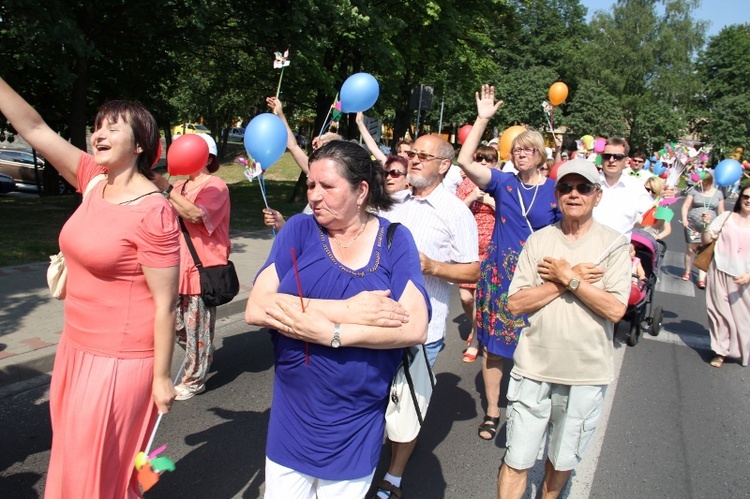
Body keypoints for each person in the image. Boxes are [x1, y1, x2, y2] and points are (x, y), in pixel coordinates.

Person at [0, 77, 180, 497]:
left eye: (114, 127)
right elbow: (35, 127)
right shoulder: (94, 179)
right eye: (98, 125)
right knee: (76, 460)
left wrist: (161, 378)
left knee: (92, 470)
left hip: (119, 362)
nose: (100, 133)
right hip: (74, 349)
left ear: (140, 144)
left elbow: (166, 305)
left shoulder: (154, 212)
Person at [244, 140, 431, 498]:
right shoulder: (299, 230)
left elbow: (415, 326)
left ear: (361, 191)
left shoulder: (394, 240)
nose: (314, 195)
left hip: (356, 424)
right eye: (312, 185)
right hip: (293, 420)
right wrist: (348, 310)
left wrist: (334, 333)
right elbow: (257, 307)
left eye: (327, 186)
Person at [498, 159, 630, 499]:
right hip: (534, 368)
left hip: (586, 373)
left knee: (561, 462)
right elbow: (515, 303)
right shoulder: (539, 241)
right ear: (556, 195)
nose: (574, 194)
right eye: (566, 188)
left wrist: (567, 276)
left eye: (583, 188)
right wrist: (566, 281)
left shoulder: (614, 245)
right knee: (516, 460)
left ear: (596, 196)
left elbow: (615, 309)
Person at [456, 85, 561, 442]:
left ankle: (532, 409)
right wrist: (483, 119)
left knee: (537, 350)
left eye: (528, 150)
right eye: (516, 150)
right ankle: (492, 411)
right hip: (499, 275)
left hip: (538, 279)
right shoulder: (503, 183)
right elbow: (465, 162)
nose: (521, 155)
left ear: (541, 155)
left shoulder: (556, 191)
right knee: (495, 351)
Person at [378, 133, 479, 498]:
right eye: (413, 154)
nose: (414, 160)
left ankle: (394, 476)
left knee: (407, 408)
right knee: (373, 401)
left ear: (444, 166)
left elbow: (472, 271)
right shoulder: (393, 204)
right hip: (379, 322)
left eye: (424, 156)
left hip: (423, 329)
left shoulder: (456, 212)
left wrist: (433, 266)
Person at [153, 133, 231, 400]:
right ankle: (201, 356)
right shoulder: (180, 185)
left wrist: (166, 189)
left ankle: (194, 379)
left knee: (196, 328)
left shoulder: (216, 185)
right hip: (176, 268)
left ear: (207, 158)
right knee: (177, 327)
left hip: (200, 269)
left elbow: (196, 215)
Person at [455, 145, 498, 363]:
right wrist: (472, 197)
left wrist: (490, 201)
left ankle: (475, 342)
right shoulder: (466, 184)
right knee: (465, 297)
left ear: (495, 164)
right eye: (480, 159)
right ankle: (475, 325)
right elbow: (454, 213)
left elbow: (512, 213)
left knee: (481, 296)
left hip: (490, 250)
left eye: (488, 160)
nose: (483, 164)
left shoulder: (500, 185)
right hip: (468, 248)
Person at [703, 183, 750, 368]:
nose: (748, 200)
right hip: (719, 271)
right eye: (746, 196)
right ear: (740, 198)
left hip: (743, 279)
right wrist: (707, 225)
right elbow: (707, 240)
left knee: (743, 318)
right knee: (718, 314)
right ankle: (720, 351)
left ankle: (741, 351)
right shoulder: (726, 217)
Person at [593, 138, 653, 237]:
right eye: (607, 156)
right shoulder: (589, 183)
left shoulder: (635, 187)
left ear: (626, 161)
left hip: (620, 250)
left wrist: (665, 204)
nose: (612, 160)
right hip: (590, 248)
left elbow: (656, 223)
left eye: (617, 157)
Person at [681, 170, 725, 288]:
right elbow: (686, 206)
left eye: (704, 182)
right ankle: (687, 272)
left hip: (710, 226)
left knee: (705, 250)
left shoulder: (718, 193)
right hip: (693, 225)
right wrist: (684, 218)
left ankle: (702, 278)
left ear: (709, 182)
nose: (701, 184)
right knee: (691, 249)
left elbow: (721, 211)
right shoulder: (694, 191)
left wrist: (722, 224)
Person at [638, 176, 673, 240]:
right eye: (647, 189)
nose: (650, 193)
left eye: (653, 191)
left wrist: (658, 236)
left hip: (648, 240)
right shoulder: (636, 201)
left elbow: (668, 229)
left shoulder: (663, 206)